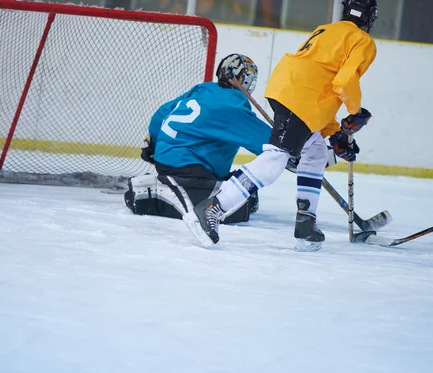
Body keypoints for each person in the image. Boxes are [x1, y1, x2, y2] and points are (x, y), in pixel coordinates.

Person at [184, 0, 378, 251]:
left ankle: (305, 223)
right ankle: (213, 208)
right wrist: (355, 113)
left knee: (316, 151)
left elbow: (319, 85)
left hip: (286, 89)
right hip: (300, 100)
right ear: (371, 17)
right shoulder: (362, 41)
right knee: (277, 158)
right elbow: (344, 82)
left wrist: (335, 133)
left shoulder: (328, 30)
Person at [124, 54, 271, 224]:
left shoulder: (203, 90)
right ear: (241, 78)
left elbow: (162, 113)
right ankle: (169, 192)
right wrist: (292, 147)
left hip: (165, 162)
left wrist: (153, 145)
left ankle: (166, 184)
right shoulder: (232, 105)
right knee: (241, 197)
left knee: (243, 189)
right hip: (192, 165)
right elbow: (266, 141)